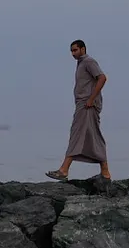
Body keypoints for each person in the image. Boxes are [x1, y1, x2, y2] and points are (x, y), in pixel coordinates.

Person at [46, 39, 111, 181]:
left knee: (77, 134)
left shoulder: (89, 62)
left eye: (75, 50)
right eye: (71, 51)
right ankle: (105, 171)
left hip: (87, 105)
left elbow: (102, 78)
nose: (73, 53)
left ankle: (63, 170)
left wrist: (91, 99)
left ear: (83, 49)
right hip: (83, 104)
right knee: (92, 136)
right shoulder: (81, 63)